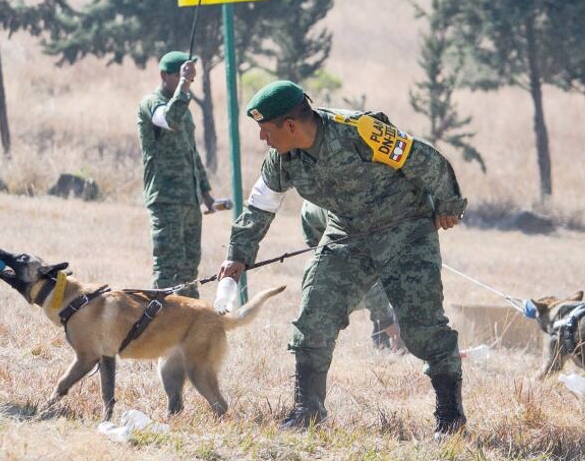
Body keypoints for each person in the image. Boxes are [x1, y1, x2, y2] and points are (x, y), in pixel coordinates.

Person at [217, 80, 467, 435]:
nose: (262, 138)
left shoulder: (362, 132)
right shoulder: (282, 159)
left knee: (421, 327)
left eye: (265, 129)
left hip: (404, 229)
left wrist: (448, 205)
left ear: (289, 125)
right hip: (348, 233)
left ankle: (450, 417)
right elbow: (260, 206)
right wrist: (238, 255)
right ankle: (308, 409)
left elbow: (426, 159)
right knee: (316, 309)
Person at [137, 51, 216, 298]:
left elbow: (191, 152)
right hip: (166, 199)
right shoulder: (152, 103)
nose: (188, 80)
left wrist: (205, 192)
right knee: (168, 267)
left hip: (189, 200)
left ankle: (188, 325)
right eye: (181, 75)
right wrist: (184, 86)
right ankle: (159, 321)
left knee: (189, 269)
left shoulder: (185, 108)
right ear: (164, 75)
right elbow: (168, 119)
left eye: (191, 77)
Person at [299, 200, 403, 351]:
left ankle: (381, 330)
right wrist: (388, 322)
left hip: (324, 211)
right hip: (318, 222)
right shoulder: (357, 211)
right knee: (348, 278)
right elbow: (363, 276)